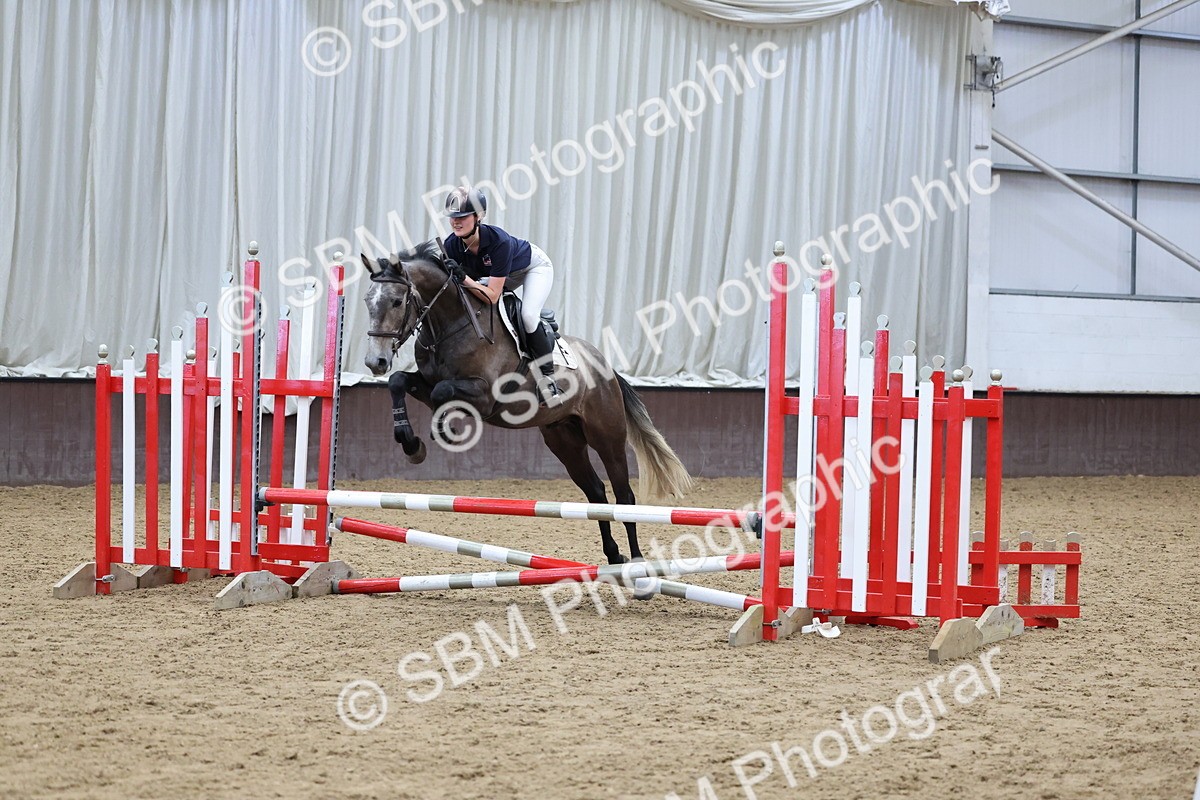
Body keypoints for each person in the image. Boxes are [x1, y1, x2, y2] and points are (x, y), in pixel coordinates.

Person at [440, 186, 563, 406]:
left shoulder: (499, 242)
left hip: (532, 268)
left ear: (478, 217)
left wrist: (464, 278)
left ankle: (548, 379)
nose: (456, 222)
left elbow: (493, 296)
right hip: (496, 275)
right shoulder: (451, 245)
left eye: (463, 216)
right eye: (453, 217)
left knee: (527, 315)